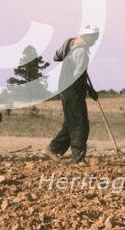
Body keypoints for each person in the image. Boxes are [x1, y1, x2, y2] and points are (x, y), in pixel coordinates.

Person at [44, 25, 100, 165]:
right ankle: (78, 159)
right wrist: (90, 91)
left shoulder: (69, 42)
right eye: (94, 38)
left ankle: (53, 149)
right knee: (80, 124)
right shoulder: (82, 51)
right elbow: (78, 78)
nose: (94, 41)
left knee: (72, 122)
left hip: (64, 88)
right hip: (73, 90)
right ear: (87, 36)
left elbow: (56, 57)